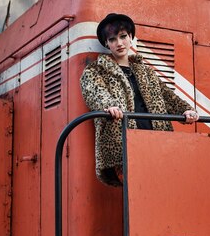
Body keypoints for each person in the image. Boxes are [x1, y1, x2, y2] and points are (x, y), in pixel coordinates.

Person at [80, 13, 199, 186]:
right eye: (113, 39)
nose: (119, 43)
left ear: (131, 38)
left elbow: (166, 95)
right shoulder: (95, 70)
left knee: (163, 188)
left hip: (156, 139)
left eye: (123, 37)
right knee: (136, 191)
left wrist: (185, 109)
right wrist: (109, 106)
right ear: (106, 43)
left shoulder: (146, 71)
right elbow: (95, 92)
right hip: (122, 142)